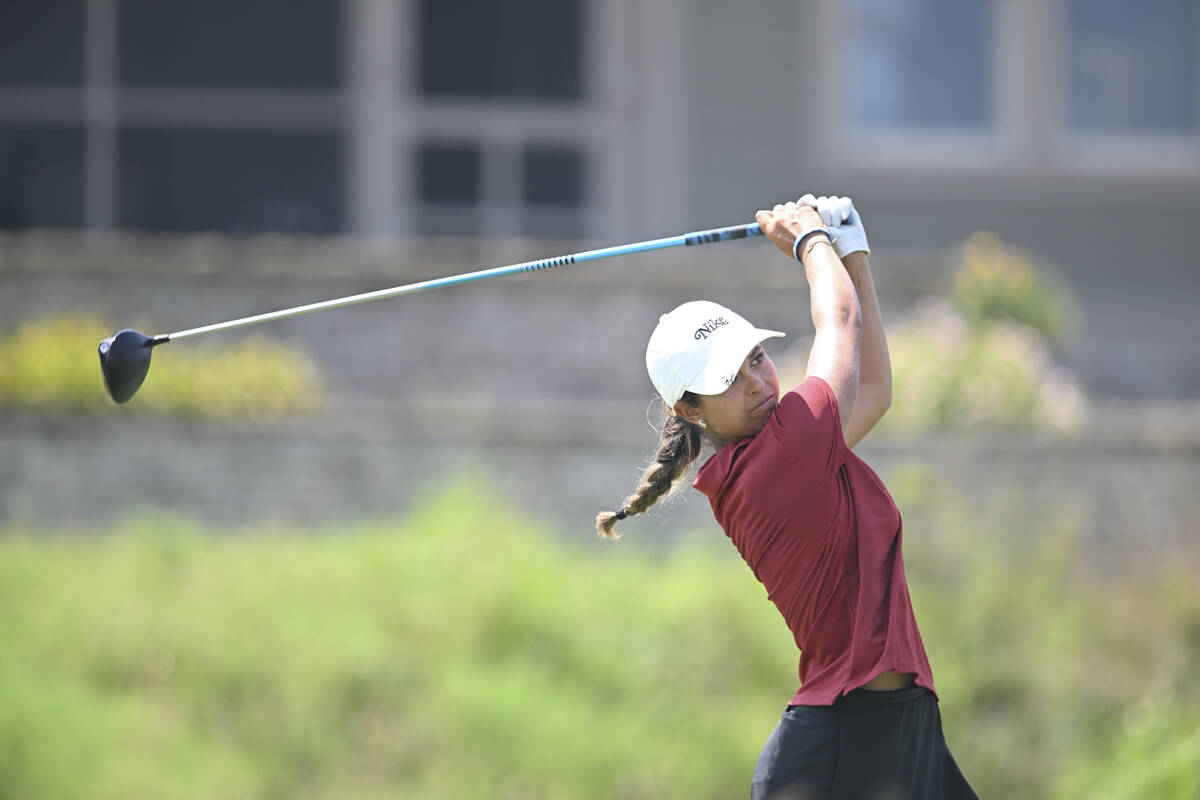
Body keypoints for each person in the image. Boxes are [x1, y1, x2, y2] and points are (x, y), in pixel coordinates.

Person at [596, 195, 977, 800]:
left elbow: (873, 388)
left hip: (902, 729)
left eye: (756, 358)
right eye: (728, 380)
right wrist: (809, 240)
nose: (757, 382)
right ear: (688, 409)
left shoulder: (790, 449)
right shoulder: (786, 455)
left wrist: (853, 253)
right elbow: (841, 325)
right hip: (837, 748)